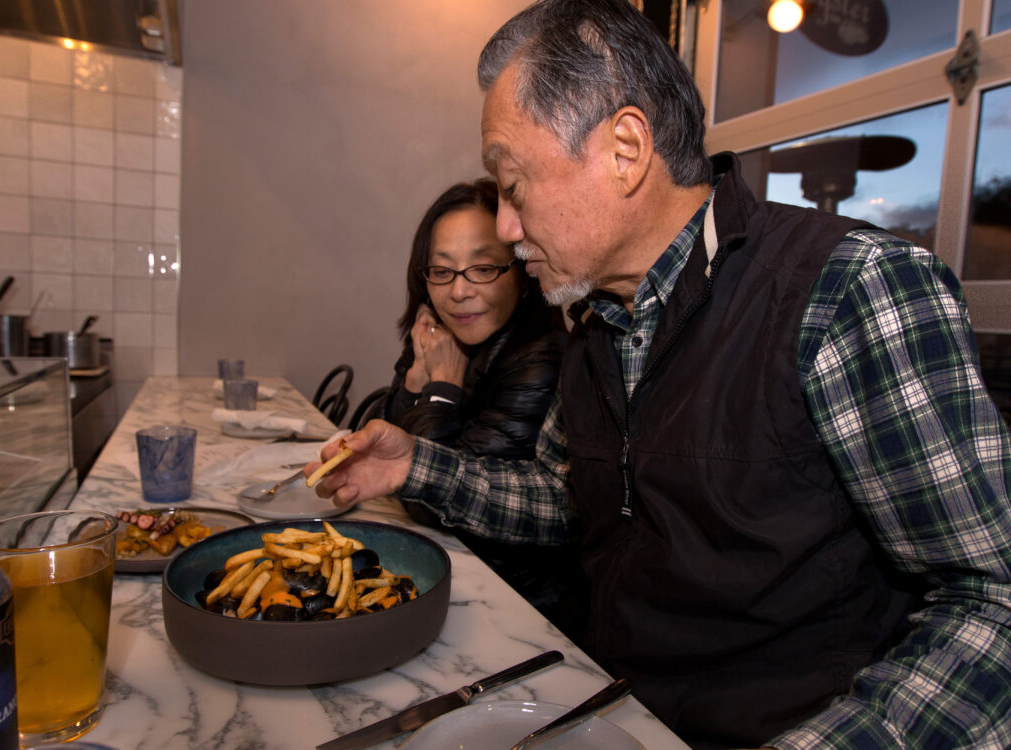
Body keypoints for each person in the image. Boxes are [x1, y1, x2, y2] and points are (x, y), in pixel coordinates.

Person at [307, 1, 1011, 748]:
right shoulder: (593, 324)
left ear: (625, 149)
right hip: (605, 707)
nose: (507, 230)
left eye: (513, 184)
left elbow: (992, 603)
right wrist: (419, 466)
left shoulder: (848, 291)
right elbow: (566, 502)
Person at [382, 178, 585, 641]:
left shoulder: (542, 359)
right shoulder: (447, 339)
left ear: (522, 272)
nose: (458, 291)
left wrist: (440, 389)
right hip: (454, 583)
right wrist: (414, 380)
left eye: (483, 268)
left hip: (522, 614)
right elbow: (386, 449)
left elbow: (431, 503)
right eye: (442, 270)